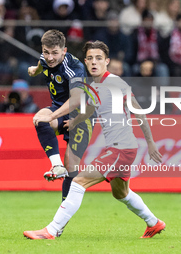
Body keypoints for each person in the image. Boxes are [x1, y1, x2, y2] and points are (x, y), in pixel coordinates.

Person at [24, 40, 165, 240]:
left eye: (99, 58)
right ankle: (154, 223)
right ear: (85, 61)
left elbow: (139, 111)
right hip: (122, 148)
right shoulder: (95, 85)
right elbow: (91, 105)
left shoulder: (115, 83)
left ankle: (51, 230)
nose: (94, 62)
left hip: (121, 149)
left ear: (107, 61)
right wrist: (76, 121)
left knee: (79, 182)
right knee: (121, 193)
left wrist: (150, 142)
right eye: (90, 58)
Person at [29, 29, 94, 202]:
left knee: (72, 168)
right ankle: (56, 166)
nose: (50, 57)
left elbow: (75, 100)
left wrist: (51, 117)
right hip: (60, 109)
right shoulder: (45, 59)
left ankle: (64, 212)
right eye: (46, 52)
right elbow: (41, 64)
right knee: (38, 119)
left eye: (55, 53)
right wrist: (35, 70)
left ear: (64, 51)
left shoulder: (74, 69)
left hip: (81, 116)